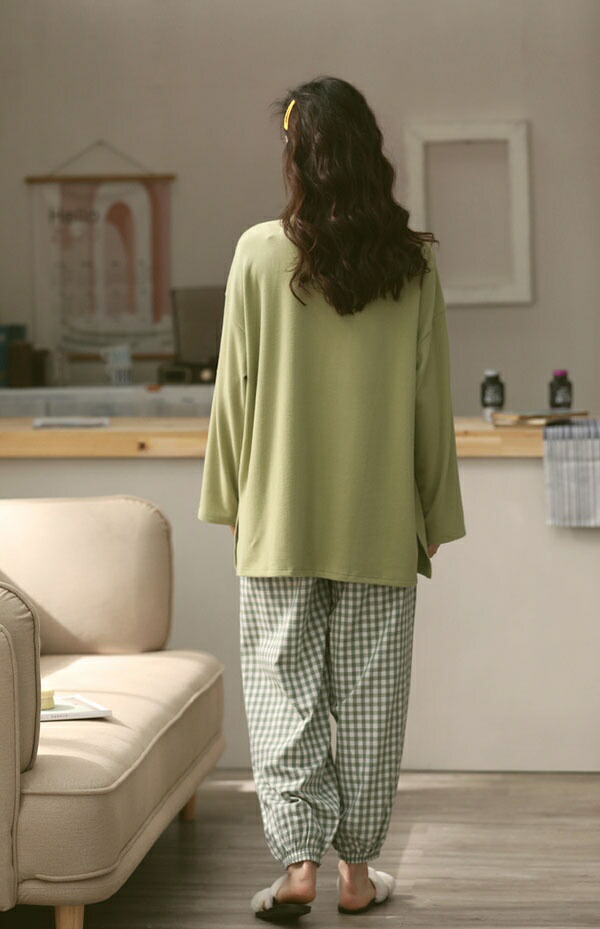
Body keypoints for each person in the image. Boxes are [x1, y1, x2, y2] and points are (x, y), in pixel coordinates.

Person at [198, 75, 466, 921]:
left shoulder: (256, 253)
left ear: (296, 156)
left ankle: (297, 866)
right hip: (379, 519)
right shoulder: (413, 261)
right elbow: (430, 397)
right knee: (371, 698)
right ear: (367, 152)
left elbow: (233, 393)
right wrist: (432, 510)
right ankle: (357, 873)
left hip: (279, 514)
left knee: (284, 690)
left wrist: (231, 498)